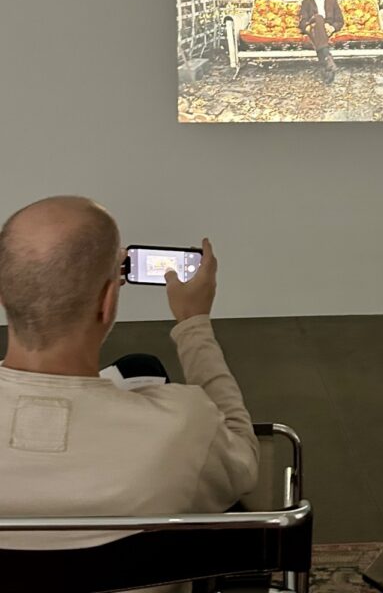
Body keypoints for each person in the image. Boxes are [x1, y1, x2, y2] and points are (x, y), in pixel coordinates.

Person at [0, 195, 260, 592]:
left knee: (137, 369)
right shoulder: (181, 426)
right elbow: (243, 462)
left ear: (5, 295)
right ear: (108, 301)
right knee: (144, 370)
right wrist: (194, 324)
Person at [298, 0, 344, 83]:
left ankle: (326, 64)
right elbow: (303, 21)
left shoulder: (332, 2)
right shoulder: (306, 3)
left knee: (320, 27)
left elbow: (340, 21)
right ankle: (327, 57)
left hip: (325, 30)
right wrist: (307, 27)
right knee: (319, 17)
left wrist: (332, 28)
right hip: (313, 26)